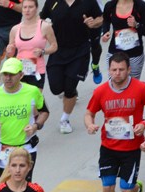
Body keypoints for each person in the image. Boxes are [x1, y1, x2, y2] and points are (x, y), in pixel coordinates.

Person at [85, 52, 145, 192]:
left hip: (131, 148)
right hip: (108, 147)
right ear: (109, 70)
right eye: (114, 70)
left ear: (129, 70)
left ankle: (136, 190)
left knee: (126, 189)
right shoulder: (101, 91)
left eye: (121, 69)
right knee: (107, 186)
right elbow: (89, 113)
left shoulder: (141, 88)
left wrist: (144, 123)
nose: (117, 73)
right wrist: (90, 124)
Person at [0, 57, 50, 182]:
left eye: (12, 74)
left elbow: (44, 112)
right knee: (1, 187)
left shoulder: (32, 91)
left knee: (23, 185)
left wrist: (35, 126)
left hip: (26, 147)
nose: (8, 78)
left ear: (21, 75)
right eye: (5, 74)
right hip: (3, 149)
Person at [40, 0, 104, 134]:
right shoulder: (52, 2)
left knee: (69, 88)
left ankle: (65, 119)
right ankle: (70, 94)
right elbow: (41, 19)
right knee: (56, 88)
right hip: (58, 50)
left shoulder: (88, 2)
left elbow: (101, 18)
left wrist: (94, 23)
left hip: (80, 50)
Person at [6, 0, 60, 88]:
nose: (27, 10)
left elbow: (54, 46)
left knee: (35, 96)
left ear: (36, 8)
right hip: (19, 71)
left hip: (37, 70)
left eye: (30, 7)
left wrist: (43, 51)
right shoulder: (15, 29)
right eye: (25, 7)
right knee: (22, 96)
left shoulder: (44, 26)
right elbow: (10, 55)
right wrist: (9, 50)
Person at [100, 0, 145, 77]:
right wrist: (105, 32)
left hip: (134, 56)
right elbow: (106, 21)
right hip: (114, 54)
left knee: (132, 83)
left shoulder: (140, 6)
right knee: (114, 82)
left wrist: (136, 25)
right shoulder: (110, 6)